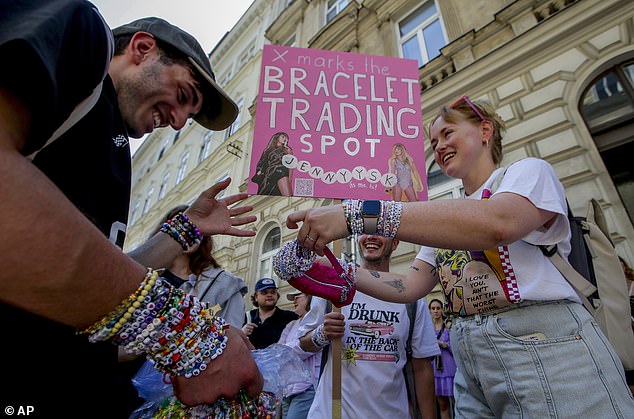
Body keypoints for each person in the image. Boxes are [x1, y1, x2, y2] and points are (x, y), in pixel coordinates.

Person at [285, 95, 634, 417]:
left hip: (545, 345)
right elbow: (408, 284)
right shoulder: (444, 220)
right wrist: (331, 270)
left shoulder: (525, 173)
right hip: (470, 355)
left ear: (485, 130)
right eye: (434, 142)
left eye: (447, 133)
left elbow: (499, 223)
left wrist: (355, 215)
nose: (438, 147)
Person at [1, 3, 261, 416]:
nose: (178, 123)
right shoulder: (82, 32)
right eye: (182, 96)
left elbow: (98, 277)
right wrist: (186, 335)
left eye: (188, 116)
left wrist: (183, 231)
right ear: (141, 49)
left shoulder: (117, 151)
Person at [297, 234, 439, 418]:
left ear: (395, 244)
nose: (371, 236)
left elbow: (422, 368)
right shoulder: (332, 286)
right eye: (366, 230)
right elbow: (303, 343)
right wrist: (322, 334)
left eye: (381, 231)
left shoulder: (411, 298)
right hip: (333, 413)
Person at [157, 205, 248, 327]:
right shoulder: (145, 278)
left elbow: (232, 333)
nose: (184, 235)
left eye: (191, 229)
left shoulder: (226, 285)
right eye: (176, 228)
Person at [277, 290, 322, 419]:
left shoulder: (317, 320)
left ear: (311, 298)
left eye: (298, 297)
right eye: (293, 298)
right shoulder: (291, 325)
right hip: (288, 389)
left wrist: (285, 352)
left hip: (307, 387)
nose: (294, 301)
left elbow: (304, 348)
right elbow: (279, 351)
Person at [242, 278, 298, 349]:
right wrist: (242, 333)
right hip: (251, 359)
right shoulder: (247, 317)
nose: (269, 295)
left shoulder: (289, 317)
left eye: (273, 292)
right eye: (264, 292)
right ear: (256, 297)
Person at [429, 299, 456, 419]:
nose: (436, 311)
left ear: (442, 310)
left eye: (438, 308)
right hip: (435, 370)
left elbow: (454, 348)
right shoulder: (427, 329)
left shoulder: (448, 326)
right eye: (433, 309)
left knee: (456, 402)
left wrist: (442, 344)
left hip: (449, 368)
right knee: (443, 405)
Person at [252, 131, 293, 196]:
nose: (285, 139)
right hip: (270, 173)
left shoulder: (287, 150)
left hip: (282, 171)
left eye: (286, 138)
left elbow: (291, 165)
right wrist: (259, 171)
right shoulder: (267, 151)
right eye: (283, 136)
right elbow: (262, 163)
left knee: (281, 170)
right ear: (277, 137)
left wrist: (290, 179)